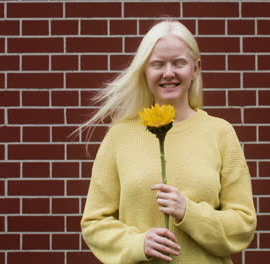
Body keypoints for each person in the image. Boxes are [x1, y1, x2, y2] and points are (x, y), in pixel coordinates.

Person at [80, 19, 257, 264]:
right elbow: (94, 223)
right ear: (144, 70)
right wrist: (137, 243)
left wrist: (189, 212)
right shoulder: (119, 137)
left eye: (179, 63)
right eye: (158, 64)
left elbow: (243, 223)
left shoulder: (220, 133)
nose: (168, 72)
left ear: (196, 68)